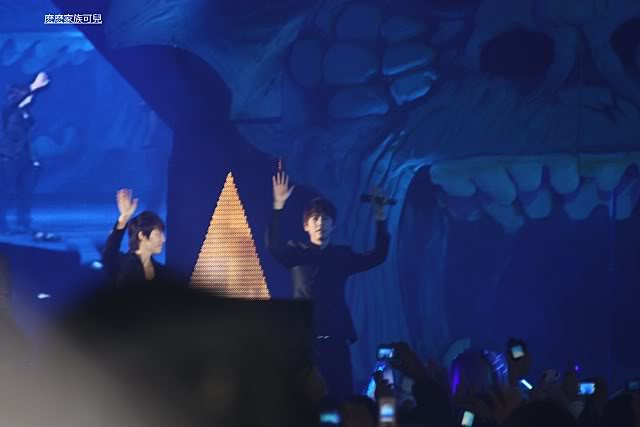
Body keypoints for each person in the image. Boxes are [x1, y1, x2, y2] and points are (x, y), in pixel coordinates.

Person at [266, 171, 391, 401]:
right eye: (315, 219)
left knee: (340, 399)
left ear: (333, 225)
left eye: (325, 219)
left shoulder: (341, 257)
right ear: (306, 226)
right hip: (304, 343)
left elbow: (378, 255)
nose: (320, 224)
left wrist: (380, 217)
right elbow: (273, 245)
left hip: (335, 342)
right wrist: (278, 206)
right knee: (303, 400)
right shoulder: (296, 253)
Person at [0, 72, 49, 234]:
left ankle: (23, 222)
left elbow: (27, 138)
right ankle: (1, 225)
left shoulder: (26, 113)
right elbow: (17, 103)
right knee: (4, 193)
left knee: (26, 193)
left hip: (25, 158)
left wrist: (34, 159)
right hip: (8, 157)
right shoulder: (8, 111)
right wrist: (34, 87)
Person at [101, 188, 172, 286]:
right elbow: (109, 251)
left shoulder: (163, 272)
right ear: (142, 235)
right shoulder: (121, 263)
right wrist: (125, 217)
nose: (163, 239)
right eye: (158, 234)